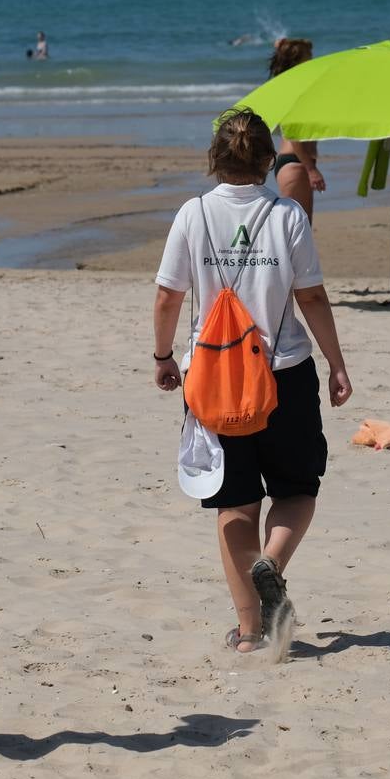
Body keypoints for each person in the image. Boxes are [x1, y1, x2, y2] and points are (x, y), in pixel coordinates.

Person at [152, 107, 352, 654]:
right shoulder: (287, 216)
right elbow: (310, 296)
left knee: (234, 505)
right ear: (269, 159)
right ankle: (274, 561)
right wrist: (336, 363)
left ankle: (247, 632)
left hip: (213, 377)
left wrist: (164, 356)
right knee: (296, 489)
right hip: (282, 373)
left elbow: (169, 294)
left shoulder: (192, 214)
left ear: (215, 158)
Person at [268, 39, 325, 222]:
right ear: (297, 62)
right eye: (308, 58)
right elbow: (292, 132)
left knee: (301, 228)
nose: (312, 62)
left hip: (297, 162)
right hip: (297, 162)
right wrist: (311, 169)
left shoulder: (293, 87)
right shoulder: (296, 92)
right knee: (297, 229)